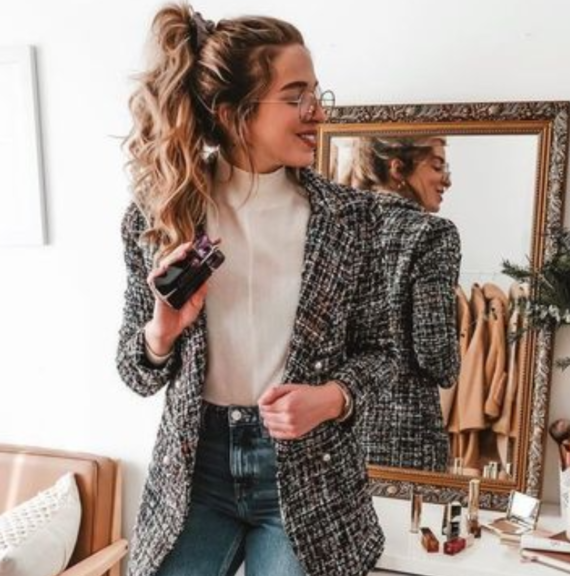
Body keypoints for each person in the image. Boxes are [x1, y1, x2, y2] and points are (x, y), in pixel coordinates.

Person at [116, 4, 387, 575]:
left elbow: (384, 355)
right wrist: (162, 331)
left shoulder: (352, 220)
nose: (317, 112)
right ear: (232, 112)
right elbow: (136, 373)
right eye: (295, 97)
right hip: (196, 472)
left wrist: (331, 398)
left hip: (308, 477)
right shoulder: (161, 217)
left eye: (316, 93)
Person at [351, 136, 462, 472]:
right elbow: (435, 355)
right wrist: (450, 363)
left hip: (335, 428)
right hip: (406, 436)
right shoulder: (432, 233)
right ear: (397, 168)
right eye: (438, 166)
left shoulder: (338, 227)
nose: (447, 180)